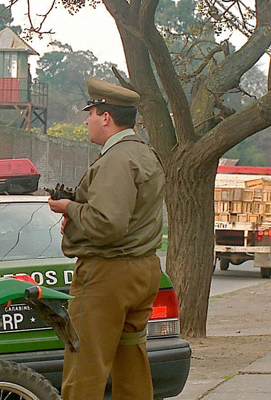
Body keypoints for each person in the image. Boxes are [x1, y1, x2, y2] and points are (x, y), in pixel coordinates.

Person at [48, 77, 165, 399]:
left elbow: (107, 224)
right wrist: (78, 218)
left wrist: (69, 207)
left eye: (91, 112)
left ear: (106, 117)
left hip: (108, 274)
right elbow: (128, 218)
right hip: (142, 269)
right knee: (131, 364)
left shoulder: (116, 159)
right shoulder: (144, 153)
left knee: (85, 363)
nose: (86, 120)